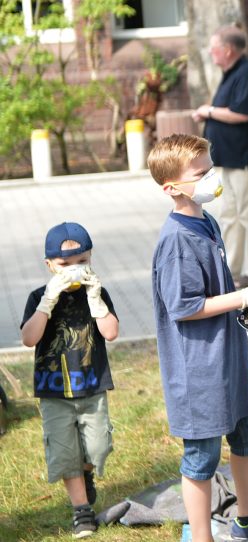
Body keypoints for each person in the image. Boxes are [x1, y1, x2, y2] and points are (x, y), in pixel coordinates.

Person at [147, 134, 248, 542]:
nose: (212, 178)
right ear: (171, 188)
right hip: (197, 370)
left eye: (211, 168)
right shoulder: (176, 242)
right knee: (202, 454)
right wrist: (242, 294)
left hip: (228, 357)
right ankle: (203, 536)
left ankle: (247, 518)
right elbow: (184, 306)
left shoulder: (207, 222)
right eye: (201, 173)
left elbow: (214, 294)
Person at [20, 222, 119, 538]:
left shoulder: (97, 292)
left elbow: (111, 332)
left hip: (91, 386)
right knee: (65, 452)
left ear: (90, 259)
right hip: (55, 392)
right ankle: (82, 511)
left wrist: (96, 301)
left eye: (81, 262)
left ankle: (86, 472)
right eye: (64, 265)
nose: (73, 271)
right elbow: (28, 337)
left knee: (98, 446)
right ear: (49, 265)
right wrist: (47, 303)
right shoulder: (39, 296)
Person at [193, 24, 248, 289]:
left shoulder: (247, 74)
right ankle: (233, 270)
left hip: (244, 159)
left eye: (214, 48)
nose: (211, 54)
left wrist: (209, 111)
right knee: (230, 216)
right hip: (227, 159)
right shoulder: (231, 73)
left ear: (227, 49)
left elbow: (242, 113)